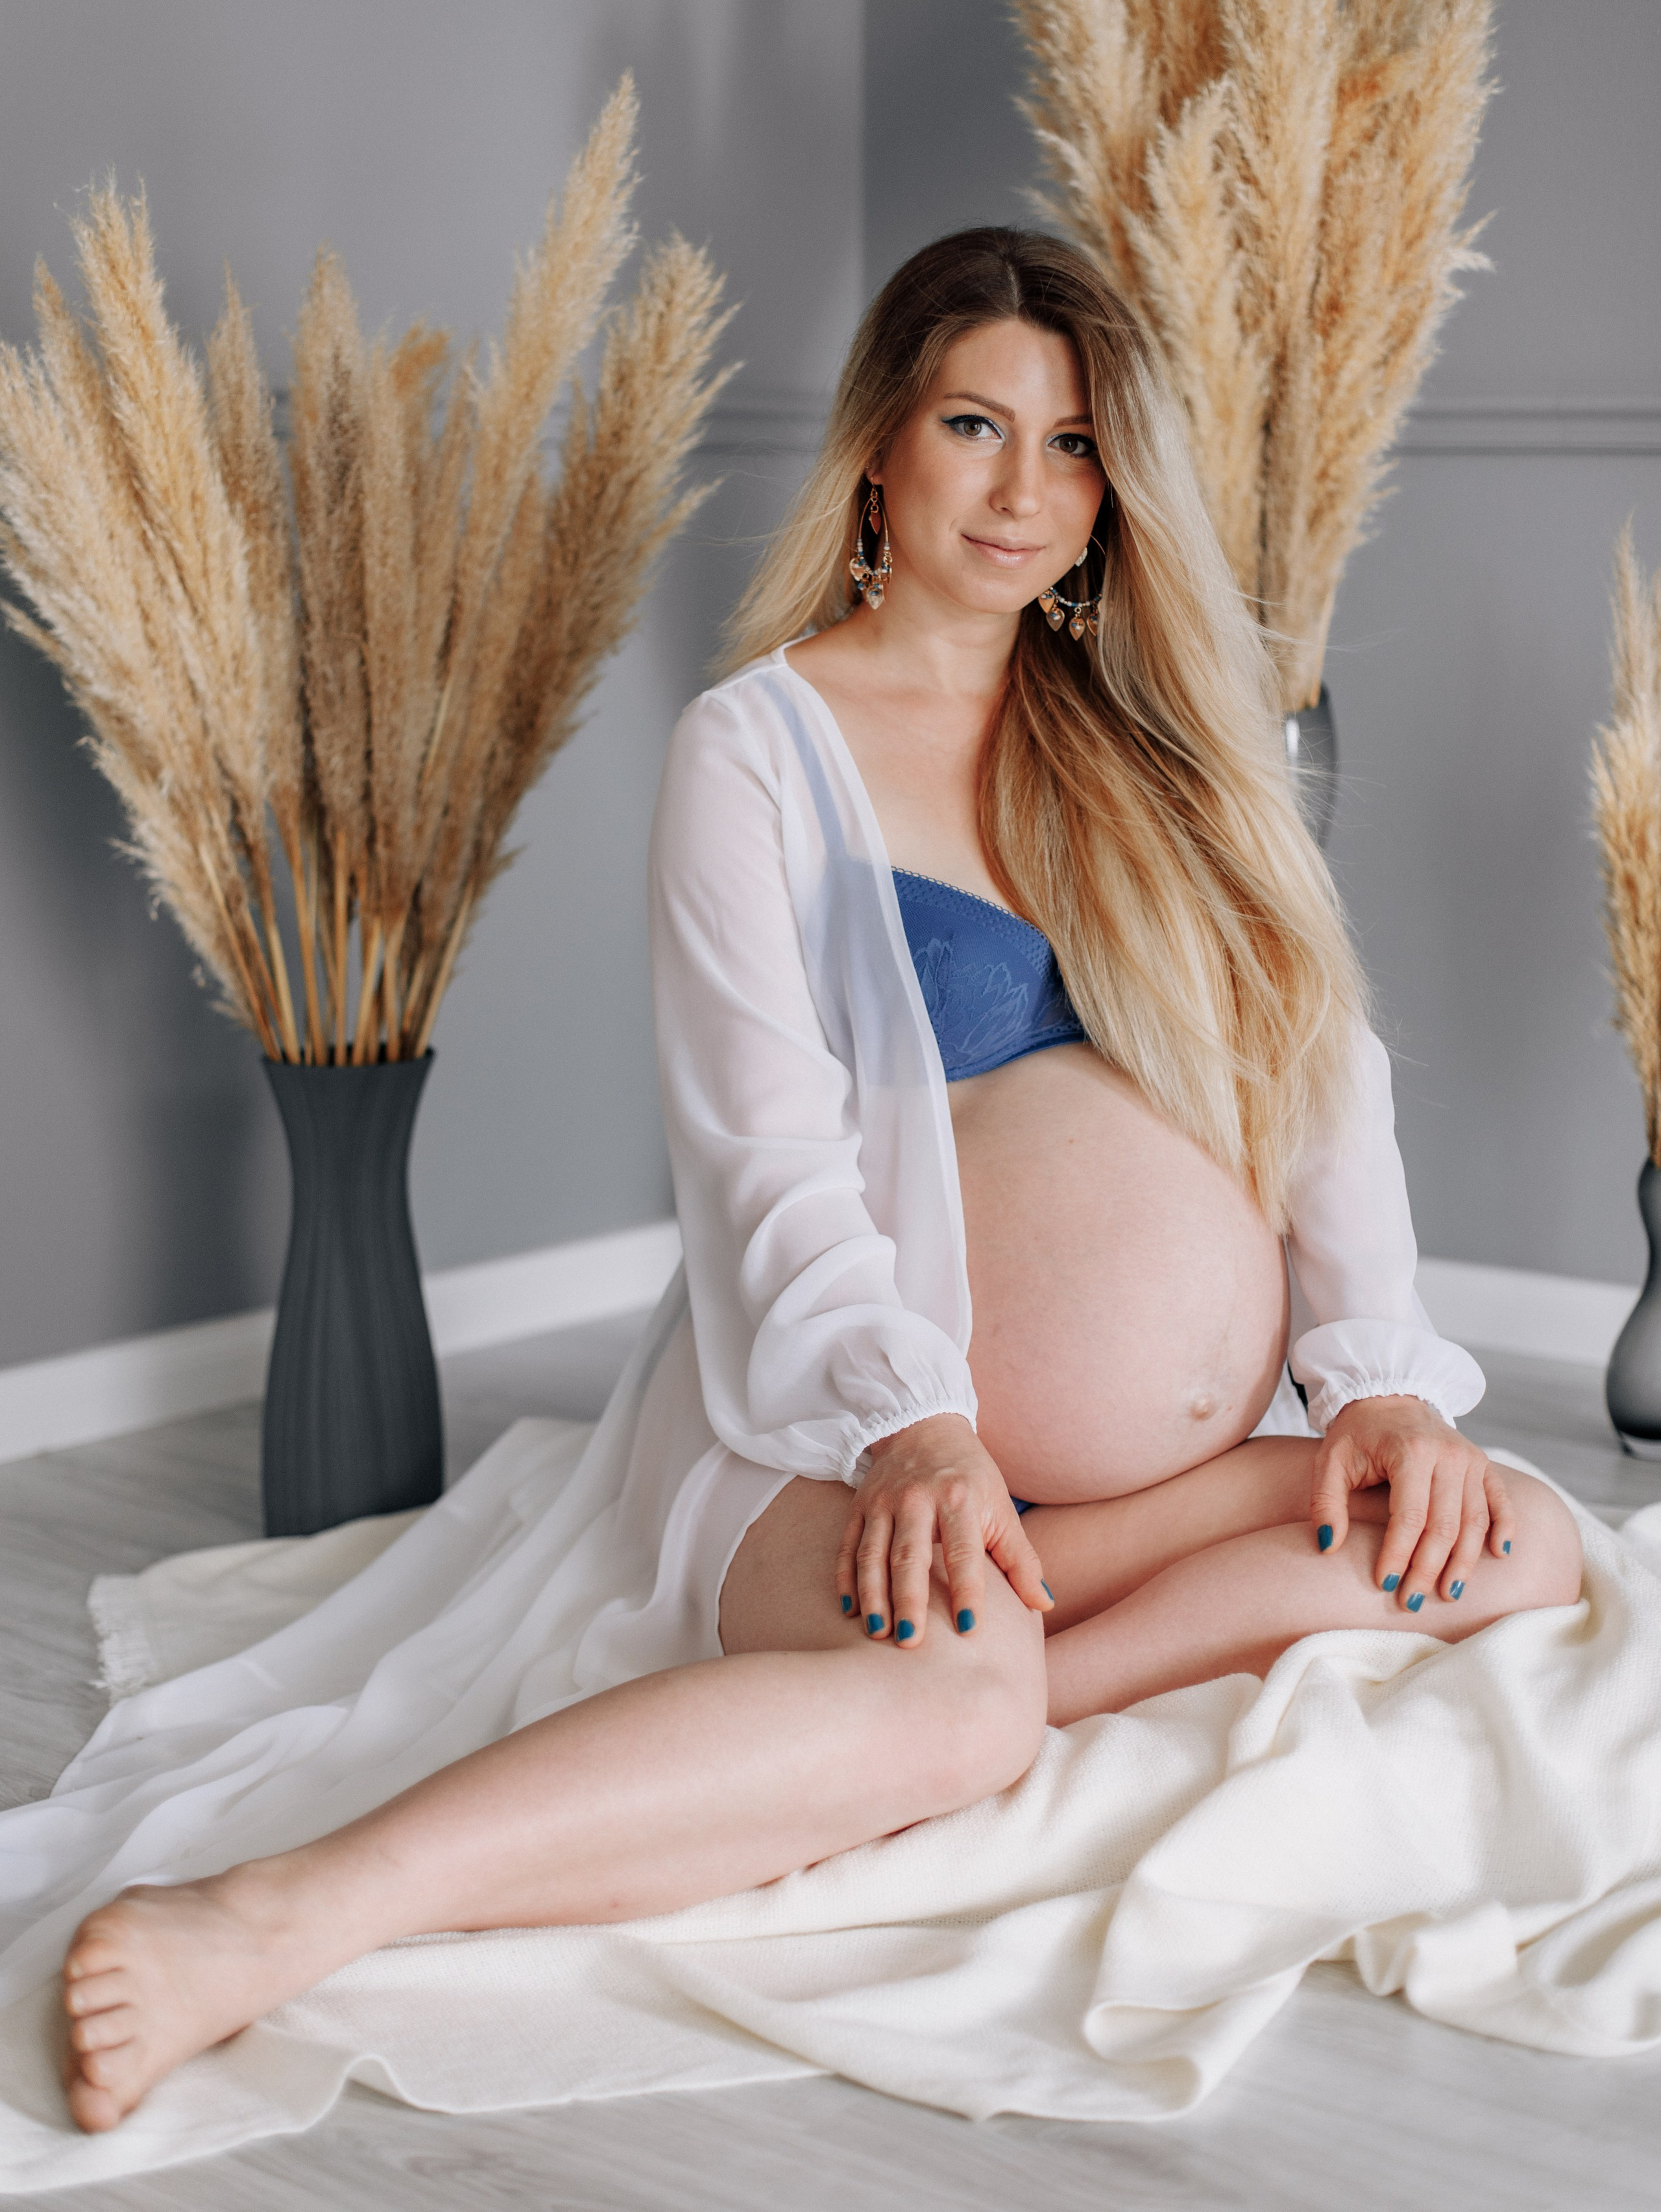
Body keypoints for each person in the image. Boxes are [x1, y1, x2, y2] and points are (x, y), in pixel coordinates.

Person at [55, 228, 1582, 2132]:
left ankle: (1034, 1634)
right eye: (974, 425)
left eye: (1075, 446)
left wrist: (1378, 1382)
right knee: (951, 1703)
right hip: (832, 1417)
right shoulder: (760, 751)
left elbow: (1323, 1081)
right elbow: (761, 1157)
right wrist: (915, 1433)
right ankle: (281, 1914)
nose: (1022, 491)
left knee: (1513, 1538)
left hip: (1116, 1476)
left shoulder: (1164, 744)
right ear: (878, 442)